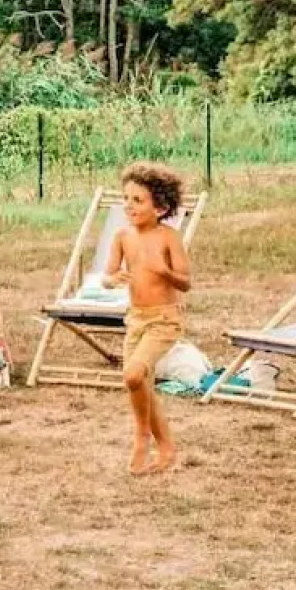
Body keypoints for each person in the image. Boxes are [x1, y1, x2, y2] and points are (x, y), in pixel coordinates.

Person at [102, 162, 192, 476]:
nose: (129, 206)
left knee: (133, 376)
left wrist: (165, 271)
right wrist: (111, 279)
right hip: (136, 319)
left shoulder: (168, 238)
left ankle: (142, 435)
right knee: (138, 382)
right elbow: (108, 275)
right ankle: (166, 447)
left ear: (160, 208)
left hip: (164, 320)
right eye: (126, 198)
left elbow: (185, 282)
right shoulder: (122, 237)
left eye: (138, 200)